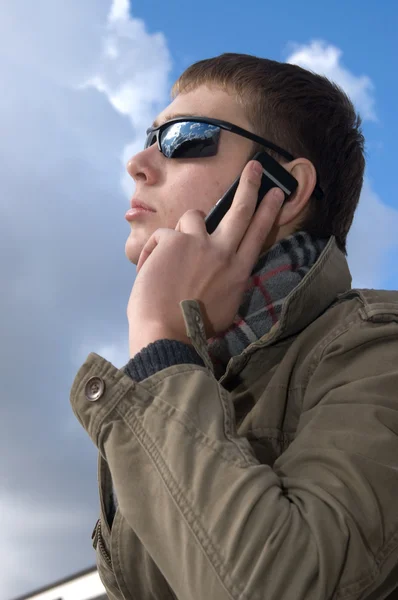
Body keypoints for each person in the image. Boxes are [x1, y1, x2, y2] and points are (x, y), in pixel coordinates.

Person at [70, 53, 398, 599]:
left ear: (286, 190)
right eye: (150, 136)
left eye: (183, 137)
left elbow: (276, 585)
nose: (138, 161)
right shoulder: (192, 376)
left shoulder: (377, 352)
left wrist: (159, 333)